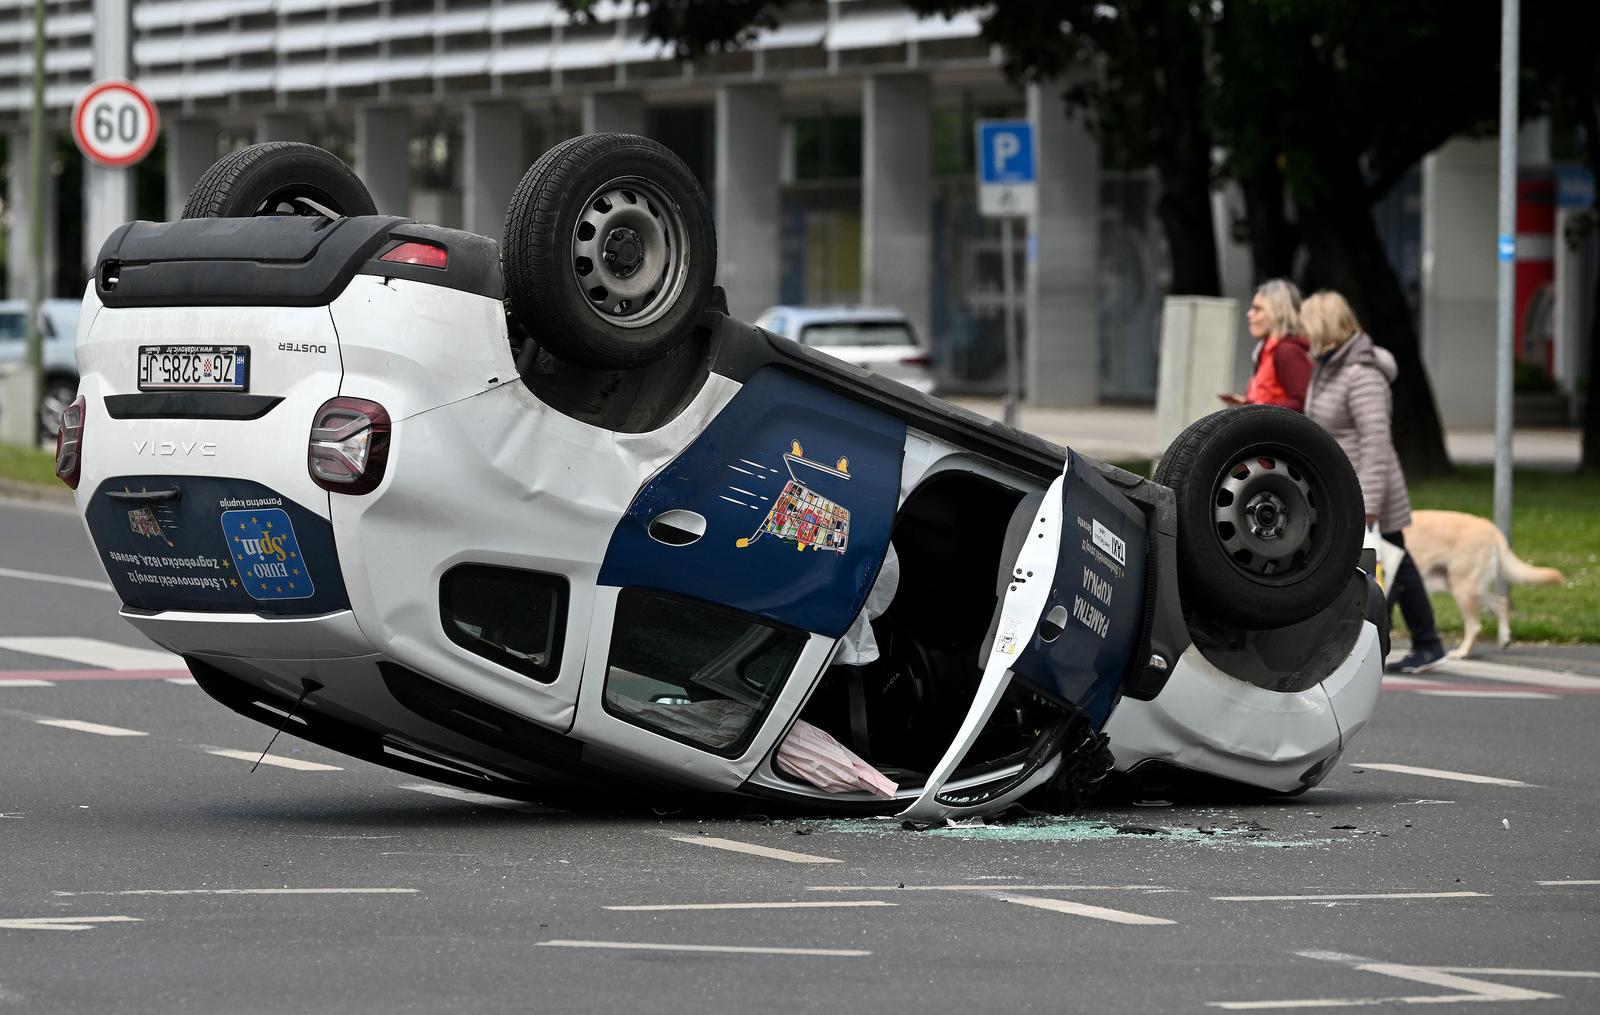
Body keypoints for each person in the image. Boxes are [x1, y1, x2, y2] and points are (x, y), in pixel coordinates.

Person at [1301, 290, 1446, 673]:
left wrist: (1369, 504)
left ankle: (1416, 642)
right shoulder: (1327, 366)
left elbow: (1376, 443)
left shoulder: (1362, 374)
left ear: (1325, 327)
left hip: (1369, 488)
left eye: (1309, 328)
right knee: (1397, 562)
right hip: (1344, 487)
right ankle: (1424, 641)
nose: (1305, 337)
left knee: (1390, 561)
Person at [1220, 278, 1312, 410]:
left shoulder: (1287, 351)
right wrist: (1248, 404)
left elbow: (1302, 402)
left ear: (1278, 314)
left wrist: (1259, 410)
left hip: (1278, 429)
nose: (1249, 314)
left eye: (1257, 309)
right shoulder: (1265, 349)